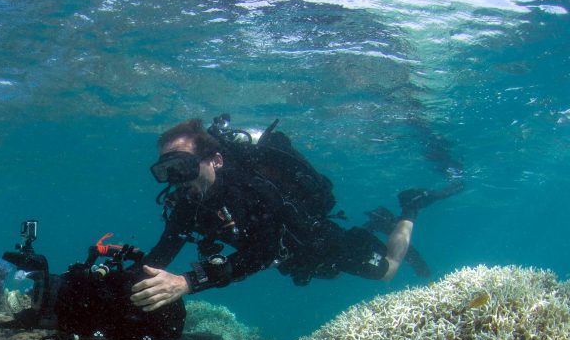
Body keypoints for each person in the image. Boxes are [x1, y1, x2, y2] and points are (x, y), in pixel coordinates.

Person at [130, 117, 462, 311]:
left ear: (215, 159)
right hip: (287, 257)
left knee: (388, 270)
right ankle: (378, 224)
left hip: (317, 242)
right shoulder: (191, 198)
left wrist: (189, 281)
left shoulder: (255, 189)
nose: (177, 180)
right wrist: (127, 278)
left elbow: (263, 252)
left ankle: (410, 207)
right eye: (167, 170)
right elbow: (164, 249)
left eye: (184, 166)